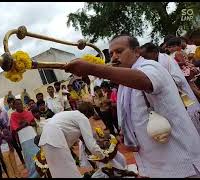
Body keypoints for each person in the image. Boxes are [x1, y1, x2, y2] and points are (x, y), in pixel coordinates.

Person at [64, 34, 200, 178]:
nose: (114, 57)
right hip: (157, 164)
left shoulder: (150, 66)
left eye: (119, 51)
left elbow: (145, 81)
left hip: (180, 160)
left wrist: (93, 69)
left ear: (137, 51)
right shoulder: (124, 83)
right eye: (111, 54)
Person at [141, 42, 200, 134]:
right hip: (175, 99)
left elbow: (179, 79)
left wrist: (162, 81)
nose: (144, 59)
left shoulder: (167, 60)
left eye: (145, 56)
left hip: (183, 96)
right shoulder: (156, 63)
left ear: (154, 52)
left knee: (194, 122)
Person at [38, 102, 105, 178]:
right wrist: (102, 156)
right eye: (89, 116)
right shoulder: (82, 117)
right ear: (86, 112)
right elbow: (91, 144)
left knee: (57, 171)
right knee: (69, 168)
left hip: (45, 138)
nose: (88, 118)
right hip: (56, 139)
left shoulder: (68, 114)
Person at [10, 99, 40, 178]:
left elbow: (34, 123)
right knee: (29, 157)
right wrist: (25, 124)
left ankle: (42, 171)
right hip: (24, 139)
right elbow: (16, 129)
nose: (19, 105)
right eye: (17, 104)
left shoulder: (28, 112)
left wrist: (27, 123)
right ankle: (34, 175)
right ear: (14, 106)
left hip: (32, 135)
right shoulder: (13, 115)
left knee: (38, 154)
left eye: (20, 103)